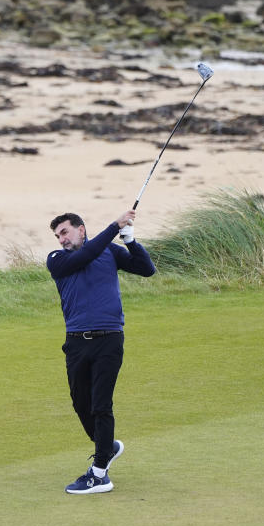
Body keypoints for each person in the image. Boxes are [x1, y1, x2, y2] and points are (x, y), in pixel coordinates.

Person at [47, 209, 156, 494]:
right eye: (58, 235)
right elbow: (86, 256)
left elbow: (146, 269)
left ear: (81, 229)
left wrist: (129, 239)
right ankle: (106, 447)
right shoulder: (57, 260)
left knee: (100, 404)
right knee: (80, 402)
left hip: (109, 338)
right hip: (76, 342)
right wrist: (114, 226)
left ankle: (99, 474)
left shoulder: (108, 250)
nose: (61, 240)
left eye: (65, 232)